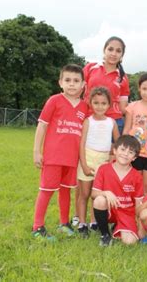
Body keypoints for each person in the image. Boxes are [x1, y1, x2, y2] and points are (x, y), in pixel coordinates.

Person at [72, 36, 130, 227]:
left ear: (122, 55)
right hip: (88, 121)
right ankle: (78, 217)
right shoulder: (90, 68)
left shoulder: (123, 78)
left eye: (118, 51)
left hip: (112, 123)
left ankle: (98, 217)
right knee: (82, 172)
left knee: (104, 173)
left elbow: (123, 106)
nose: (114, 53)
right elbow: (79, 93)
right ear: (104, 50)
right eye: (110, 49)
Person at [32, 64, 88, 240]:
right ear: (60, 82)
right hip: (53, 156)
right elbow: (42, 125)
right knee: (47, 190)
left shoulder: (85, 107)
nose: (72, 84)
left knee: (66, 190)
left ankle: (64, 223)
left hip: (72, 158)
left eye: (76, 81)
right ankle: (37, 227)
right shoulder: (54, 100)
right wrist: (36, 151)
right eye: (68, 80)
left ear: (83, 84)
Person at [76, 87, 120, 238]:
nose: (99, 106)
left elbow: (117, 142)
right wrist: (84, 164)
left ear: (109, 105)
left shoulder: (111, 122)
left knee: (97, 195)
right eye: (96, 103)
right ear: (90, 103)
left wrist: (112, 156)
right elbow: (81, 144)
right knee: (85, 193)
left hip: (104, 161)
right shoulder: (88, 121)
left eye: (103, 103)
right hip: (88, 158)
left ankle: (94, 221)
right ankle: (82, 223)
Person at [91, 135, 144, 246]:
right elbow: (94, 194)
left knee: (130, 242)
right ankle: (105, 234)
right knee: (99, 200)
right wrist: (106, 193)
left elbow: (139, 204)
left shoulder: (137, 176)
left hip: (126, 213)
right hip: (109, 209)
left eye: (130, 152)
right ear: (115, 150)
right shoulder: (104, 169)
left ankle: (118, 226)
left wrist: (140, 227)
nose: (125, 154)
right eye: (123, 149)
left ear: (134, 157)